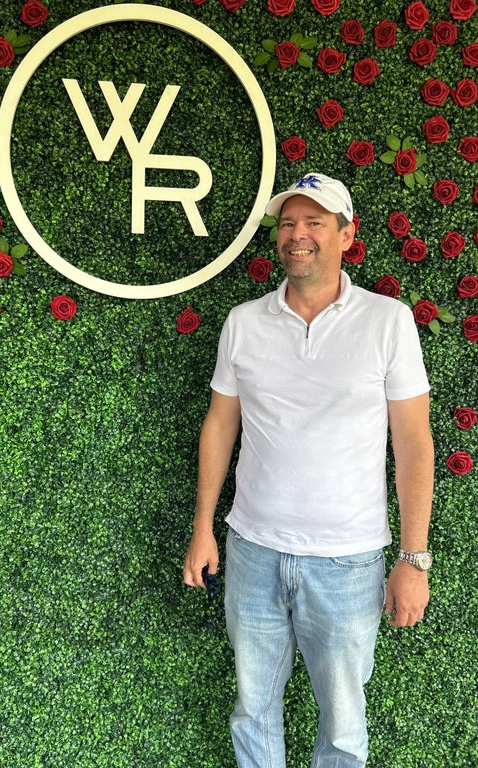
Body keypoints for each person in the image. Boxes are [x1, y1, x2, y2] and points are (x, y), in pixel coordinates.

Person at [183, 173, 434, 768]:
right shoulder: (244, 322)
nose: (297, 234)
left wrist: (413, 558)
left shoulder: (388, 321)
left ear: (346, 235)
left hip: (347, 562)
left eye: (314, 222)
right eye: (288, 223)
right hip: (253, 552)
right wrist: (203, 529)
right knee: (252, 711)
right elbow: (220, 426)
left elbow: (413, 442)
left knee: (344, 727)